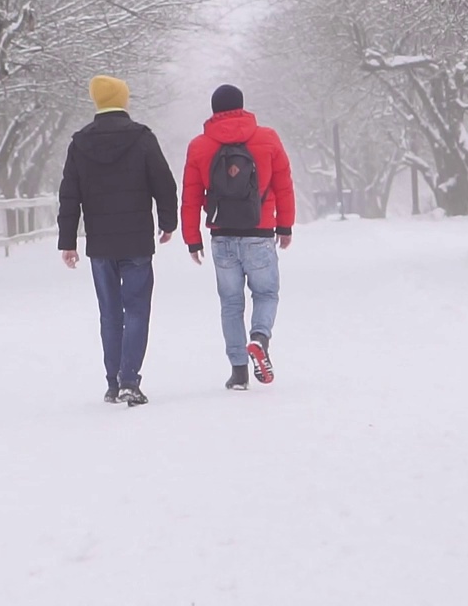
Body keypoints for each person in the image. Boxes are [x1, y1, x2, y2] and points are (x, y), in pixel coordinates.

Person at [57, 75, 178, 407]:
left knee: (110, 313)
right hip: (137, 239)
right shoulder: (142, 138)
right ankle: (130, 381)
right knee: (137, 309)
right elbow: (164, 183)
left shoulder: (79, 143)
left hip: (100, 244)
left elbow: (69, 196)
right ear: (123, 100)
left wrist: (67, 240)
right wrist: (168, 222)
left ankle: (113, 382)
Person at [181, 84, 295, 390]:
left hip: (223, 234)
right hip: (259, 231)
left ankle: (239, 371)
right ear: (242, 106)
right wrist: (285, 225)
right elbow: (283, 184)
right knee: (266, 293)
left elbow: (191, 196)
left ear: (214, 109)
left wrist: (192, 239)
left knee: (231, 304)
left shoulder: (200, 146)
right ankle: (259, 337)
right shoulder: (267, 138)